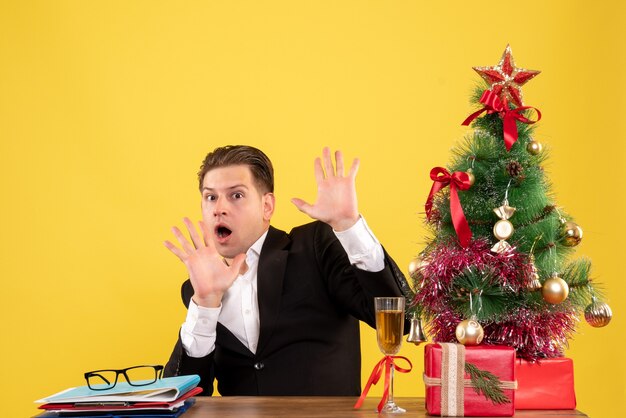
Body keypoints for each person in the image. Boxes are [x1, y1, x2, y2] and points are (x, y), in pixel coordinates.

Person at [163, 145, 409, 396]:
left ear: (267, 206)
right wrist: (205, 304)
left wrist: (349, 227)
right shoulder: (198, 289)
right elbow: (181, 397)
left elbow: (402, 319)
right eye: (211, 197)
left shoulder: (315, 246)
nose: (219, 208)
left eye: (236, 195)